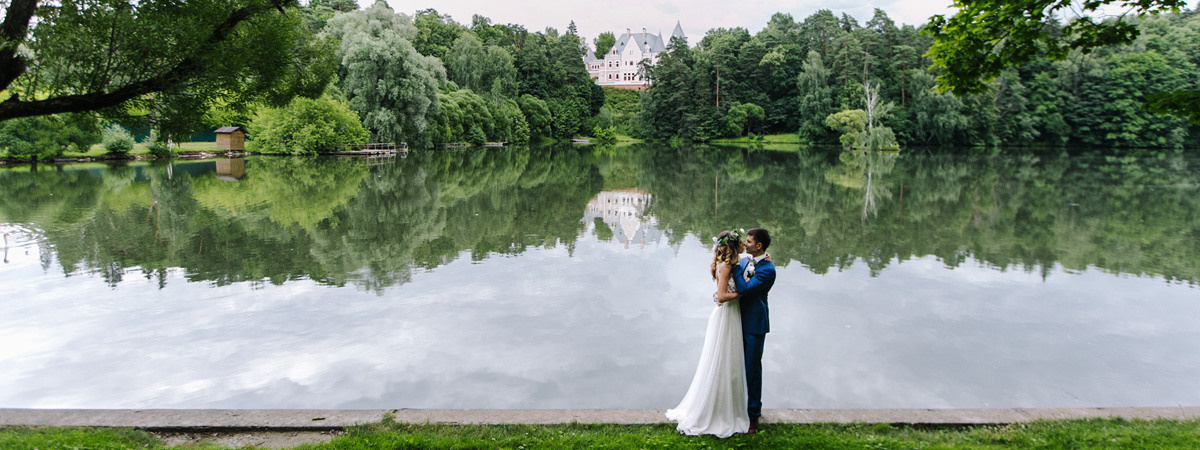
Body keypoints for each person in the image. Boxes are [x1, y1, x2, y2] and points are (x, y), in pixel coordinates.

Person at [665, 229, 751, 438]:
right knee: (721, 361)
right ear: (733, 246)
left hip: (731, 315)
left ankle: (726, 406)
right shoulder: (727, 267)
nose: (743, 244)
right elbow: (721, 295)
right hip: (726, 316)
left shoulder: (734, 264)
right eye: (740, 242)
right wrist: (743, 293)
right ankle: (718, 411)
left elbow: (748, 261)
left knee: (729, 362)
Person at [714, 227, 775, 434]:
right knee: (731, 366)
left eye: (748, 241)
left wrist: (735, 266)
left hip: (754, 325)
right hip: (734, 320)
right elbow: (727, 284)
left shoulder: (768, 270)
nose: (745, 244)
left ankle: (753, 415)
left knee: (752, 370)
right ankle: (731, 409)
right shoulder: (742, 261)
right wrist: (719, 293)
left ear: (759, 246)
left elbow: (745, 289)